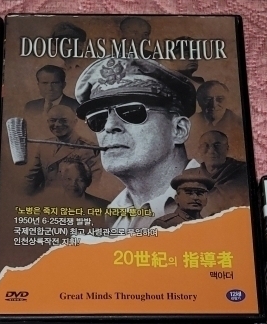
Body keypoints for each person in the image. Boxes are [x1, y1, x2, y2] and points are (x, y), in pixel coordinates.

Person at [74, 56, 199, 229]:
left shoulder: (224, 201)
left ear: (179, 129)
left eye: (132, 112)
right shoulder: (113, 219)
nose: (109, 126)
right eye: (98, 119)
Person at [23, 105, 100, 195]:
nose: (57, 125)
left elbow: (93, 185)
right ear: (48, 122)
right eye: (53, 120)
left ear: (74, 122)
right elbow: (31, 179)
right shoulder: (44, 146)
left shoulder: (90, 149)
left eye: (63, 121)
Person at [196, 130, 249, 214]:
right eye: (206, 145)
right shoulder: (192, 175)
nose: (211, 150)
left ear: (227, 148)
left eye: (217, 145)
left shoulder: (243, 171)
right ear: (199, 150)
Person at [188, 81, 245, 159]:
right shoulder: (189, 124)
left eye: (220, 99)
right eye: (208, 99)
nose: (213, 105)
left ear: (227, 100)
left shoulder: (240, 125)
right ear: (199, 102)